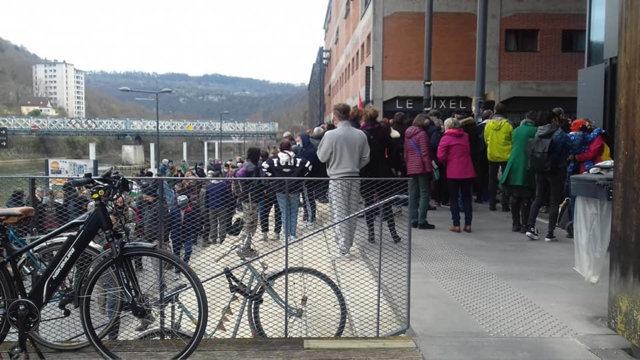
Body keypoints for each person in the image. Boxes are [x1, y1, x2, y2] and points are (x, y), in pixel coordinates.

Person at [317, 103, 370, 260]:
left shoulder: (331, 135)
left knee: (339, 213)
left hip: (337, 178)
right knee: (352, 212)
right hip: (354, 176)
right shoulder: (360, 134)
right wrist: (354, 166)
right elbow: (366, 157)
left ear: (335, 116)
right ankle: (347, 244)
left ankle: (343, 248)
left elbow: (321, 157)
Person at [359, 106, 404, 243]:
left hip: (366, 171)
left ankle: (371, 234)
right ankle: (393, 233)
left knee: (368, 203)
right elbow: (392, 151)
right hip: (382, 170)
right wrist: (393, 167)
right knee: (386, 203)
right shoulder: (384, 130)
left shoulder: (362, 132)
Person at [526, 110, 571, 242]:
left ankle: (531, 227)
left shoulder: (538, 132)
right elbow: (569, 146)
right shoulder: (559, 134)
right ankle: (550, 233)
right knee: (554, 201)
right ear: (553, 120)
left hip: (540, 168)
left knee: (538, 198)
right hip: (556, 170)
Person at [262, 141, 312, 241]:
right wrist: (301, 176)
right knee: (294, 211)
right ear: (290, 148)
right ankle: (292, 234)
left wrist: (273, 176)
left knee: (284, 212)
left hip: (280, 188)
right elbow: (308, 166)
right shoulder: (297, 159)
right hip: (295, 187)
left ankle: (286, 235)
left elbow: (264, 166)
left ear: (280, 148)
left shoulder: (274, 160)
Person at [499, 113, 538, 233]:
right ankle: (525, 225)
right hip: (527, 165)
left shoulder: (516, 130)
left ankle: (515, 223)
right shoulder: (535, 131)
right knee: (526, 197)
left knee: (515, 196)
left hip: (514, 164)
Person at [437, 118, 476, 233]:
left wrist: (448, 162)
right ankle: (468, 224)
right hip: (467, 170)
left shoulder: (445, 138)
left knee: (453, 199)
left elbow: (440, 156)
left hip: (453, 171)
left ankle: (456, 224)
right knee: (467, 199)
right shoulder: (465, 136)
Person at [404, 113, 435, 230]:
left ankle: (413, 219)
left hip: (411, 167)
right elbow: (425, 153)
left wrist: (408, 165)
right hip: (421, 167)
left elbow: (406, 153)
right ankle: (422, 220)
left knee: (413, 193)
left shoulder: (407, 134)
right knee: (424, 193)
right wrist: (428, 168)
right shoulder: (422, 134)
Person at [233, 147, 264, 258]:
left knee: (251, 223)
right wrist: (250, 186)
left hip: (249, 198)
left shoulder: (249, 164)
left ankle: (246, 246)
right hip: (250, 199)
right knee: (250, 224)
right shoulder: (250, 166)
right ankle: (244, 248)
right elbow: (240, 175)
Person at [484, 102, 513, 211]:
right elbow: (512, 139)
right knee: (505, 180)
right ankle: (505, 204)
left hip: (492, 154)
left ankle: (492, 204)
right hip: (506, 155)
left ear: (495, 111)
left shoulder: (489, 125)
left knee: (492, 179)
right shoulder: (508, 125)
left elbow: (485, 139)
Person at [169, 195, 196, 280]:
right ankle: (177, 271)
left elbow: (194, 221)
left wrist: (192, 231)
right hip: (176, 234)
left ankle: (184, 265)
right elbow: (170, 222)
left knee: (188, 250)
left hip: (186, 234)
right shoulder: (173, 210)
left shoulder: (190, 210)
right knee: (176, 254)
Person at [298, 132, 322, 225]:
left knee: (308, 198)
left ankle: (311, 218)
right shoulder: (306, 149)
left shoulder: (310, 151)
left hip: (308, 177)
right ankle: (308, 215)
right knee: (306, 197)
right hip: (307, 177)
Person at [258, 150, 281, 241]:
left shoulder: (262, 165)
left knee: (264, 213)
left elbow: (262, 178)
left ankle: (265, 234)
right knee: (277, 213)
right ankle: (276, 233)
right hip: (276, 191)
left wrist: (263, 188)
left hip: (266, 192)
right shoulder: (278, 164)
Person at [204, 171, 229, 245]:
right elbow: (227, 196)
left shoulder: (209, 186)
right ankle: (222, 238)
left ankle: (214, 238)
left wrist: (207, 206)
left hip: (212, 207)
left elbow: (206, 198)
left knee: (213, 223)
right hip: (222, 206)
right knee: (222, 222)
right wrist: (227, 205)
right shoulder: (223, 185)